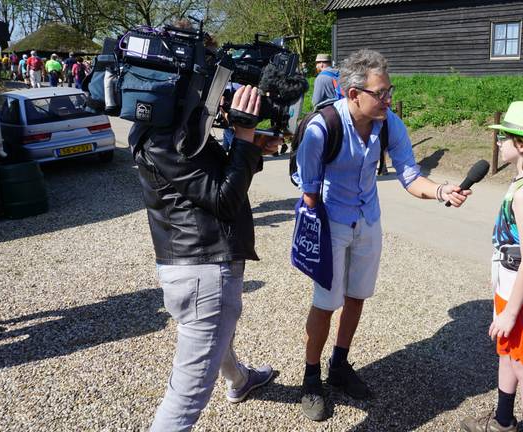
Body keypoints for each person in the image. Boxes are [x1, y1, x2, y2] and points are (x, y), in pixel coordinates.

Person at [295, 49, 472, 421]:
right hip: (331, 222)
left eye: (389, 90)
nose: (388, 99)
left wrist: (441, 191)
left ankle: (339, 366)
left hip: (368, 220)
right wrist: (313, 243)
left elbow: (409, 175)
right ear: (353, 94)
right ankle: (311, 379)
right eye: (381, 93)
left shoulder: (390, 122)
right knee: (327, 302)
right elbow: (309, 193)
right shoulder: (320, 128)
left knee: (357, 296)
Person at [131, 83, 280, 431]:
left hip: (190, 264)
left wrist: (250, 149)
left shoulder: (164, 126)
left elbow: (208, 181)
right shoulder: (165, 136)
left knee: (217, 333)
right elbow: (223, 198)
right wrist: (243, 136)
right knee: (186, 396)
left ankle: (240, 380)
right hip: (204, 270)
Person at [460, 101, 523, 432]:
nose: (499, 142)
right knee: (507, 355)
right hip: (510, 289)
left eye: (504, 137)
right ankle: (503, 421)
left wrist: (509, 312)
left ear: (521, 145)